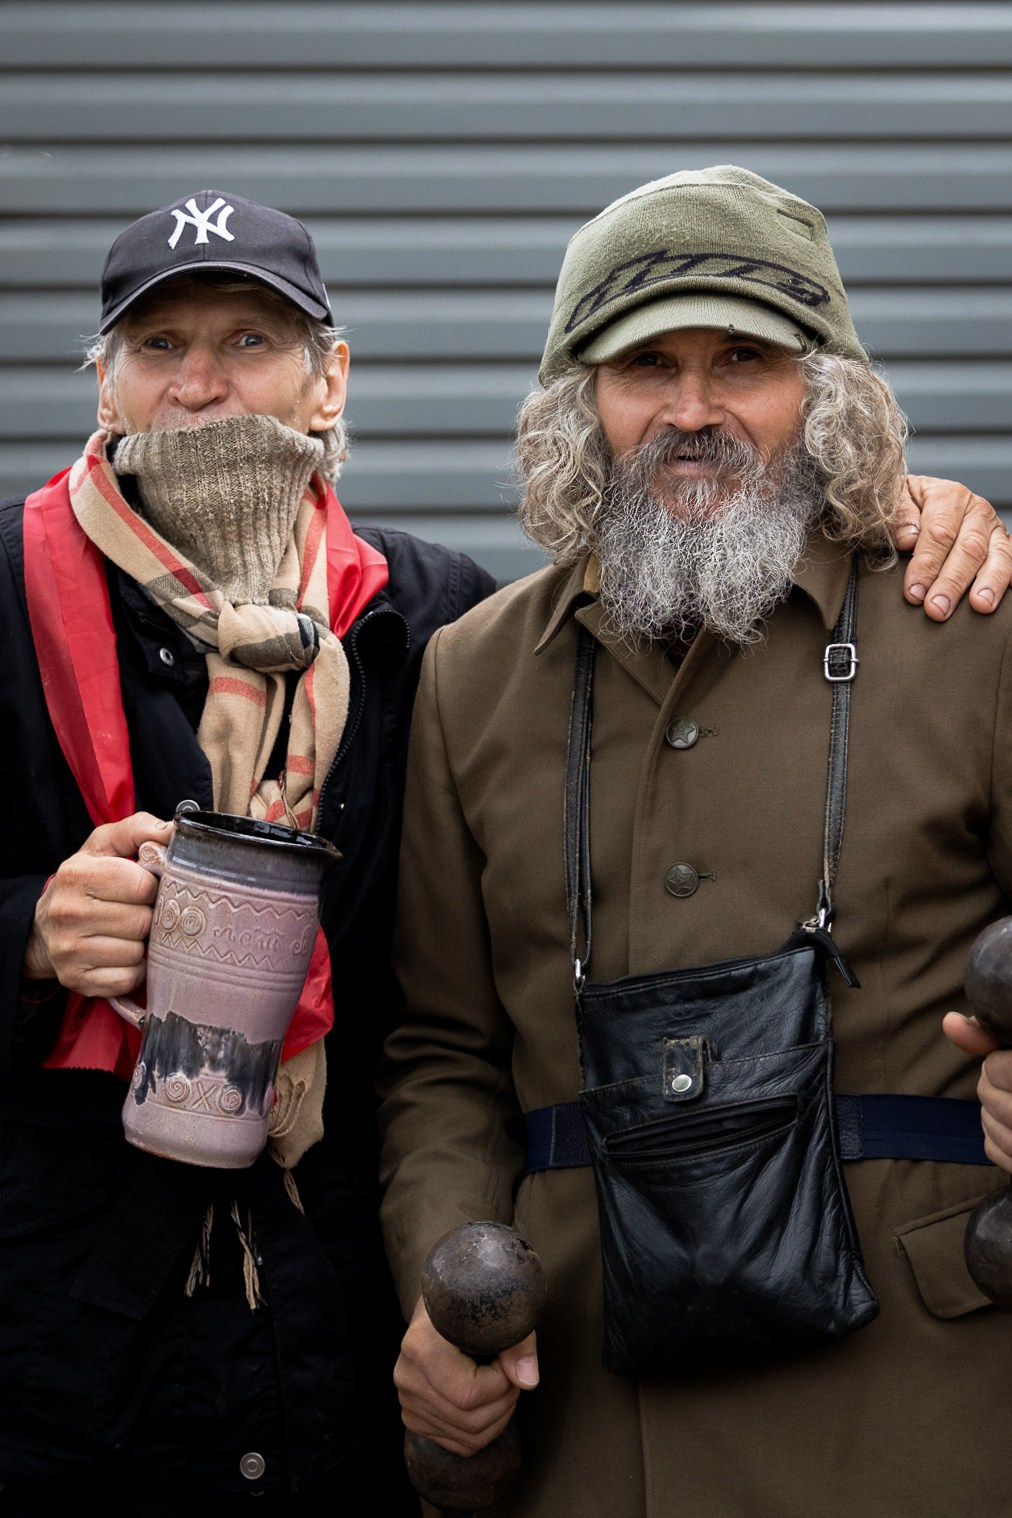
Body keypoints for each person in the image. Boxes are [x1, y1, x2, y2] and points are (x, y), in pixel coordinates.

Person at [378, 165, 1012, 1517]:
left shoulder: (975, 625)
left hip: (925, 1422)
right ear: (576, 407)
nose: (692, 410)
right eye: (642, 364)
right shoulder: (470, 674)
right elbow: (440, 1052)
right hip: (594, 1428)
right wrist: (446, 1286)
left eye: (745, 360)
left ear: (825, 395)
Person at [0, 188, 497, 1513]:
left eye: (247, 340)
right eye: (157, 346)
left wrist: (894, 510)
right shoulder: (2, 588)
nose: (201, 383)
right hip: (68, 1352)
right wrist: (31, 936)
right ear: (103, 381)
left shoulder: (444, 619)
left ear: (330, 377)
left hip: (350, 1318)